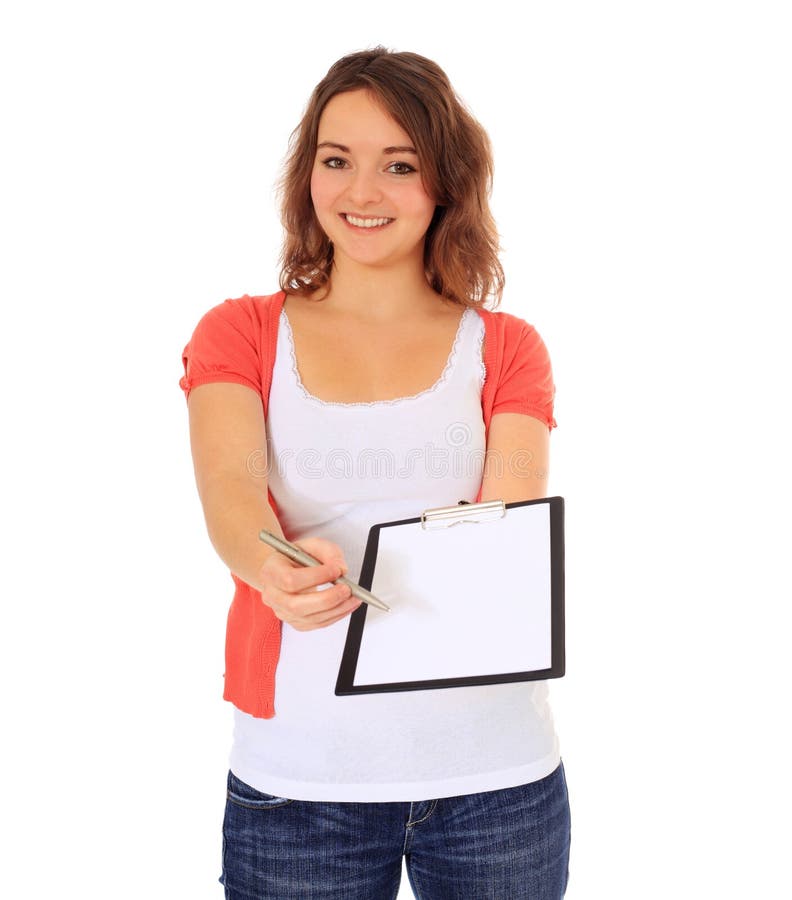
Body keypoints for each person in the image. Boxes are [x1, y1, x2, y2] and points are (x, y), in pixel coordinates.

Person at [179, 46, 570, 900]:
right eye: (336, 160)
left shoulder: (506, 348)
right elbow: (230, 487)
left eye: (400, 165)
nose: (362, 193)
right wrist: (270, 564)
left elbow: (504, 531)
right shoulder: (240, 332)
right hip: (300, 787)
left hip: (494, 782)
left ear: (446, 184)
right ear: (307, 173)